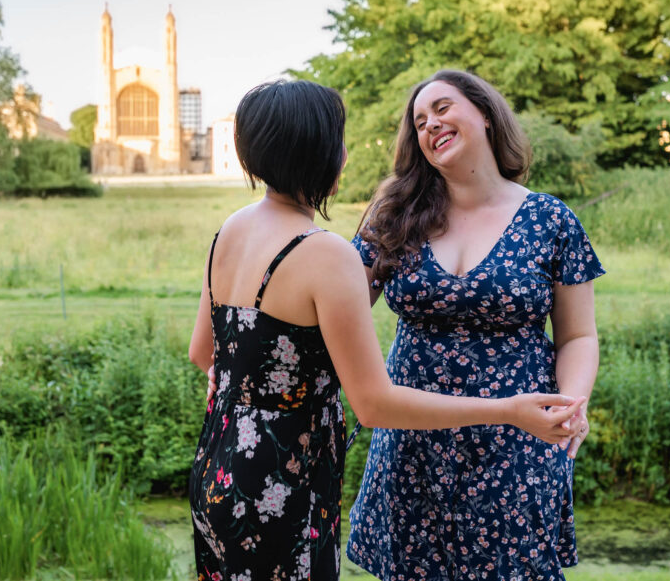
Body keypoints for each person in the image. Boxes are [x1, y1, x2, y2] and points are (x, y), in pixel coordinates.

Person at [187, 79, 586, 581]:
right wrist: (508, 410)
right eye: (339, 140)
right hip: (288, 481)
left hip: (221, 462)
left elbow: (203, 351)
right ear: (316, 152)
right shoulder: (330, 249)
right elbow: (372, 404)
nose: (347, 153)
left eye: (442, 109)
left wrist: (249, 390)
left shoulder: (231, 227)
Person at [346, 69, 605, 580]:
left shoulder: (551, 220)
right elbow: (338, 312)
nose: (430, 125)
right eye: (419, 121)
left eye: (442, 108)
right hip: (412, 447)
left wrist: (571, 405)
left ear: (484, 114)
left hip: (518, 444)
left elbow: (578, 335)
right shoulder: (393, 216)